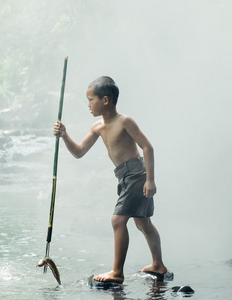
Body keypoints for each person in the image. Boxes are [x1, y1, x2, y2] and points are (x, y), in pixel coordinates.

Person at [53, 76, 167, 283]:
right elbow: (79, 152)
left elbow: (147, 147)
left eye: (91, 100)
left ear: (105, 100)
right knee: (143, 223)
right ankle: (158, 265)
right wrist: (64, 135)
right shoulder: (97, 127)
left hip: (136, 174)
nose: (88, 105)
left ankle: (117, 272)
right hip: (123, 177)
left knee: (118, 220)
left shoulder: (125, 121)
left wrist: (150, 180)